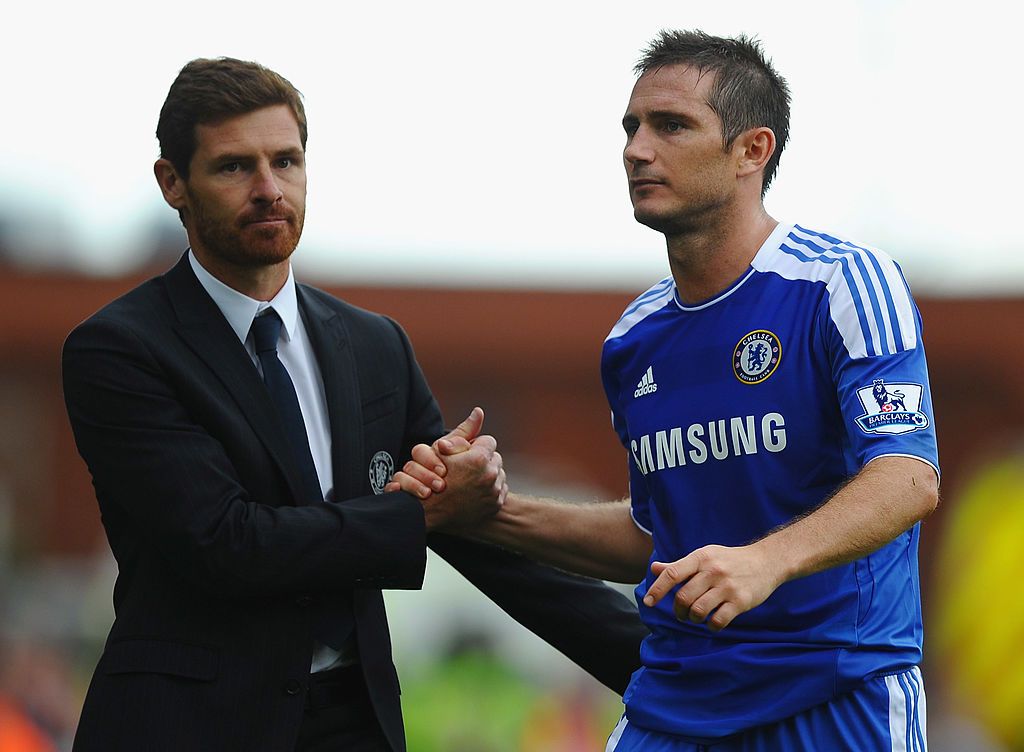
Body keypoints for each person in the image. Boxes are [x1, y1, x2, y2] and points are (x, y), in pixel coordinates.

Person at [61, 58, 646, 752]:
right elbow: (226, 546)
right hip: (189, 726)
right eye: (233, 168)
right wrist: (420, 510)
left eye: (287, 161)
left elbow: (482, 545)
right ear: (172, 183)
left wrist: (671, 668)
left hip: (353, 719)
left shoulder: (375, 348)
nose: (268, 190)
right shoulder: (119, 350)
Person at [390, 29, 940, 751]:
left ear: (753, 150)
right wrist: (483, 513)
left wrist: (764, 561)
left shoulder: (842, 283)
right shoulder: (634, 338)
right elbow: (653, 539)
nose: (637, 149)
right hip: (676, 708)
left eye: (672, 125)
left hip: (838, 699)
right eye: (632, 126)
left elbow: (909, 477)